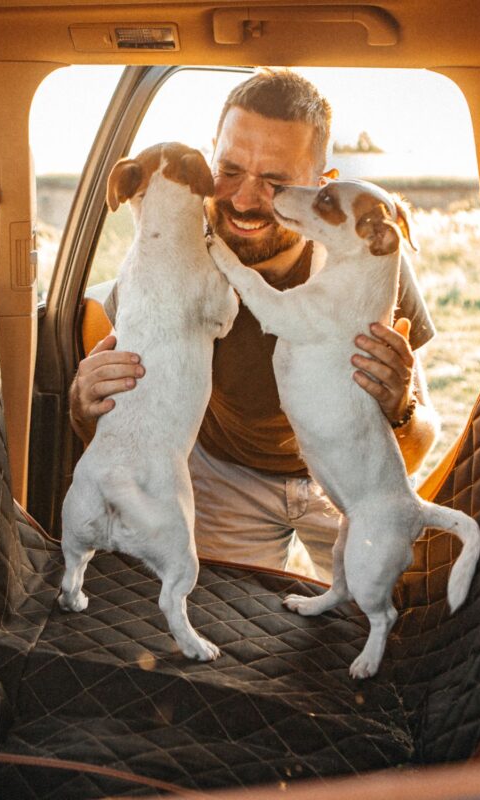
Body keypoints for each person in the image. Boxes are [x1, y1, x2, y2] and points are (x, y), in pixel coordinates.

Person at [69, 69, 439, 581]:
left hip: (342, 479)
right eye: (231, 169)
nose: (244, 200)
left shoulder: (365, 267)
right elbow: (114, 423)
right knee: (215, 620)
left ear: (320, 185)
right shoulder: (170, 260)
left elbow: (417, 446)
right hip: (224, 478)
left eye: (276, 182)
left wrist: (399, 408)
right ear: (207, 160)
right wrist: (85, 404)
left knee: (407, 609)